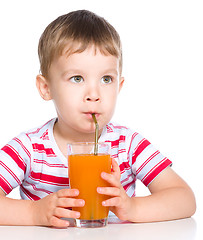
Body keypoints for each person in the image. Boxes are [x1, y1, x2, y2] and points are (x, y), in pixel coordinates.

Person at [0, 10, 196, 228]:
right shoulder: (28, 149)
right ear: (46, 88)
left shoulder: (127, 145)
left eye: (106, 79)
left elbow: (185, 199)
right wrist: (33, 213)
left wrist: (132, 207)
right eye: (77, 78)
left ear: (119, 87)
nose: (94, 94)